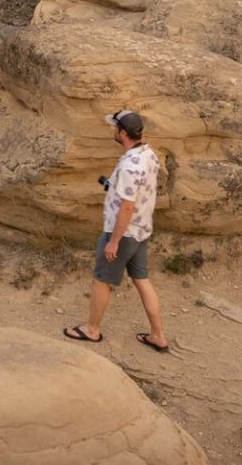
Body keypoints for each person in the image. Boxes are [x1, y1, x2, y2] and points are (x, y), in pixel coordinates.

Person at [63, 109, 170, 352]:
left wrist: (114, 242)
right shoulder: (148, 154)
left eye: (115, 128)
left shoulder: (131, 166)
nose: (113, 131)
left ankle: (92, 329)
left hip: (123, 233)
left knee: (102, 280)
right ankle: (158, 335)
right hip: (142, 229)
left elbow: (127, 207)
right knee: (142, 280)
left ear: (123, 133)